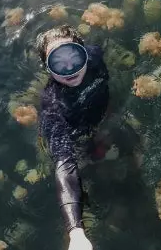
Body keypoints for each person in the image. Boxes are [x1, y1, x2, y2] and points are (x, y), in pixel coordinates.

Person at [35, 25, 110, 250]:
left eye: (74, 57)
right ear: (48, 69)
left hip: (105, 118)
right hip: (78, 134)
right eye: (58, 62)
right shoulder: (52, 104)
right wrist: (76, 232)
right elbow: (64, 163)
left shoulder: (95, 56)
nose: (70, 69)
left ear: (84, 52)